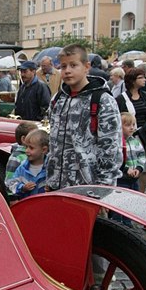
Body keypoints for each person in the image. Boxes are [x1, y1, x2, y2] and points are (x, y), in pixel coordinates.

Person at [45, 44, 121, 191]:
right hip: (57, 187)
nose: (67, 71)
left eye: (73, 65)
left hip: (88, 188)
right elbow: (53, 142)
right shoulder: (58, 98)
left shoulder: (103, 100)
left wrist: (104, 188)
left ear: (86, 67)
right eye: (63, 66)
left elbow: (110, 149)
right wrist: (50, 178)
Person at [110, 112, 146, 226]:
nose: (132, 127)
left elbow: (141, 156)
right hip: (122, 179)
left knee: (130, 203)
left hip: (133, 179)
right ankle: (117, 223)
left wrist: (139, 169)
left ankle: (127, 223)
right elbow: (116, 160)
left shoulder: (135, 142)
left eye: (133, 124)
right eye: (128, 125)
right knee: (119, 202)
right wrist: (126, 169)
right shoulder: (117, 143)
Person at [8, 128, 49, 199]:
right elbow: (12, 184)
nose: (26, 150)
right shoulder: (22, 168)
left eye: (31, 148)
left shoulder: (49, 168)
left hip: (44, 205)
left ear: (44, 150)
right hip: (26, 205)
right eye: (26, 147)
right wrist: (22, 187)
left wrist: (50, 189)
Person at [4, 119, 38, 194]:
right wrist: (13, 198)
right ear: (23, 139)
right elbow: (9, 180)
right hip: (22, 195)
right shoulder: (16, 157)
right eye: (34, 136)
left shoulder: (37, 154)